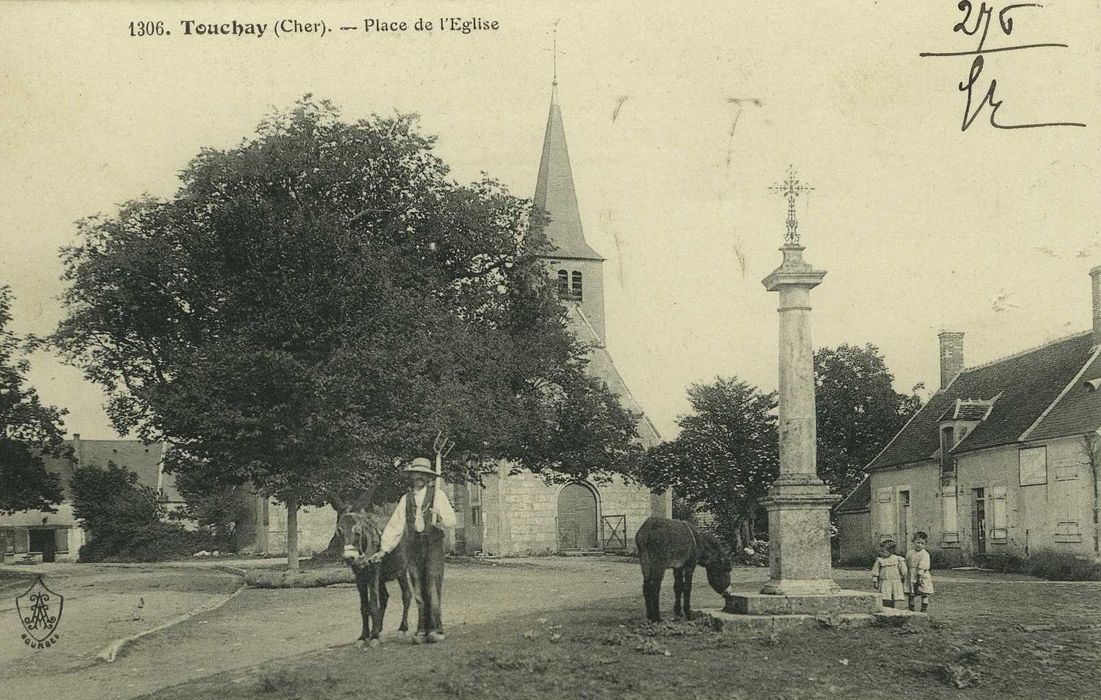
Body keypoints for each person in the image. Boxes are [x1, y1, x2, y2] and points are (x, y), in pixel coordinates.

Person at [369, 457, 456, 643]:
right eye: (416, 474)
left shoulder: (437, 495)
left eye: (423, 474)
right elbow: (395, 527)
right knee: (417, 589)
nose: (419, 477)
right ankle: (422, 630)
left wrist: (438, 517)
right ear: (412, 476)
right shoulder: (405, 499)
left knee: (432, 587)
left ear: (428, 477)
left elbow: (451, 521)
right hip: (413, 547)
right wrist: (383, 550)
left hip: (433, 546)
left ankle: (436, 629)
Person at [871, 539, 907, 608]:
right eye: (880, 551)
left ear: (890, 552)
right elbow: (876, 570)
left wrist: (905, 576)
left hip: (895, 581)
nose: (881, 553)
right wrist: (875, 579)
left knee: (893, 596)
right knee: (885, 597)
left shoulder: (897, 559)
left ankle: (892, 608)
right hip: (885, 582)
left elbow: (903, 569)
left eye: (883, 551)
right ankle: (886, 608)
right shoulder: (880, 560)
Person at [904, 531, 934, 612]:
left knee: (924, 592)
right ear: (913, 541)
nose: (919, 545)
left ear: (925, 544)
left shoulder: (924, 554)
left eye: (922, 543)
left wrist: (920, 575)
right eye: (918, 542)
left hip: (922, 574)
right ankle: (911, 609)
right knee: (911, 593)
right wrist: (904, 572)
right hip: (911, 574)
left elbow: (923, 565)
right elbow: (906, 563)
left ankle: (923, 610)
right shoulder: (910, 553)